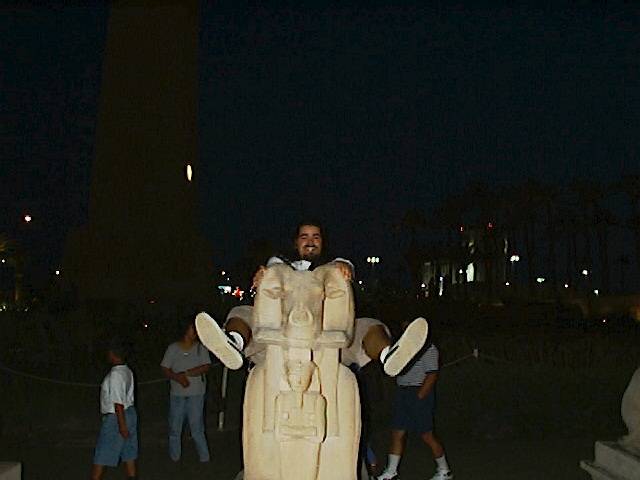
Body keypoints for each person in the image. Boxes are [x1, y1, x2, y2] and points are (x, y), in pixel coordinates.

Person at [196, 219, 429, 377]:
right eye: (304, 236)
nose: (310, 241)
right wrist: (263, 277)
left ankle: (389, 356)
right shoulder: (279, 264)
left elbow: (346, 267)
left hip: (326, 339)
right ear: (296, 241)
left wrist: (343, 268)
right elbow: (271, 274)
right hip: (281, 337)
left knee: (370, 326)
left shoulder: (334, 265)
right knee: (241, 313)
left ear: (323, 242)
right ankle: (234, 343)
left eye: (316, 237)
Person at [377, 327, 453, 480]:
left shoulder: (429, 348)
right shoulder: (403, 347)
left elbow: (432, 374)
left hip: (419, 391)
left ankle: (444, 470)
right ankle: (391, 472)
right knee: (397, 432)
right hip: (403, 392)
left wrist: (420, 396)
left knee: (426, 434)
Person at [160, 316, 212, 463]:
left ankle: (204, 458)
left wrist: (187, 374)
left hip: (196, 394)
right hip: (177, 394)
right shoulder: (173, 348)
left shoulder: (200, 348)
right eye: (192, 329)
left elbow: (206, 366)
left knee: (197, 429)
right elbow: (165, 368)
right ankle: (174, 458)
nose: (194, 332)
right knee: (174, 429)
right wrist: (177, 378)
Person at [91, 338, 138, 480]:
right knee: (129, 452)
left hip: (117, 417)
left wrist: (122, 426)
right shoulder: (127, 370)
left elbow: (118, 403)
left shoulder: (116, 375)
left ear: (113, 354)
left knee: (102, 454)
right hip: (129, 413)